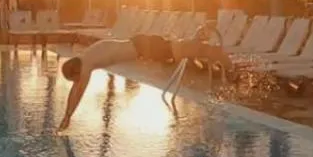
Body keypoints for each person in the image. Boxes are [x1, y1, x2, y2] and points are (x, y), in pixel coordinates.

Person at [56, 30, 230, 130]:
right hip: (141, 44)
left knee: (193, 50)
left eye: (75, 79)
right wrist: (67, 115)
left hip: (144, 47)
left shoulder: (86, 65)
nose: (77, 82)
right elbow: (76, 88)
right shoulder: (86, 56)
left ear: (76, 72)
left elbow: (78, 92)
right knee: (179, 54)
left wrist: (68, 117)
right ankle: (211, 59)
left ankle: (226, 63)